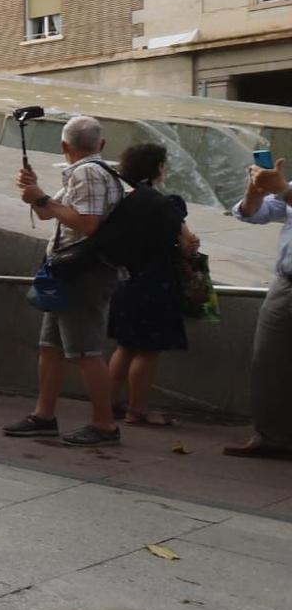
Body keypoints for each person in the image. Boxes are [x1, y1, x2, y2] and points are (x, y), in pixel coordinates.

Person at [9, 115, 125, 446]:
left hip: (83, 274)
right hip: (67, 273)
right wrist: (35, 192)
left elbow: (88, 224)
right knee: (50, 347)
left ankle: (105, 425)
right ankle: (43, 416)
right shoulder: (91, 173)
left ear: (64, 146)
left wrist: (42, 199)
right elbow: (49, 212)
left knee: (87, 351)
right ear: (101, 144)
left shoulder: (88, 172)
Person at [105, 143, 196, 428]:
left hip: (125, 280)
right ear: (158, 168)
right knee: (147, 350)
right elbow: (187, 244)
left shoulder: (121, 199)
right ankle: (138, 410)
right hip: (155, 282)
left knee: (125, 346)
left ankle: (108, 404)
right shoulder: (165, 204)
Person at [229, 154, 292, 458]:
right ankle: (271, 436)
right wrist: (254, 193)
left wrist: (283, 189)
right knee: (268, 360)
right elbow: (253, 214)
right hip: (286, 283)